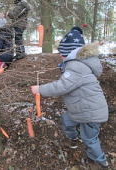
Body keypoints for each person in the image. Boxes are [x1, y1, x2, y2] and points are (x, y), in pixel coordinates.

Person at [31, 31, 109, 168]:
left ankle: (99, 162)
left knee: (90, 139)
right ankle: (73, 138)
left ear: (71, 52)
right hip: (82, 109)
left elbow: (61, 86)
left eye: (62, 52)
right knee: (67, 120)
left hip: (91, 114)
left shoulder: (76, 66)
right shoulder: (80, 63)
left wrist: (40, 89)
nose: (60, 55)